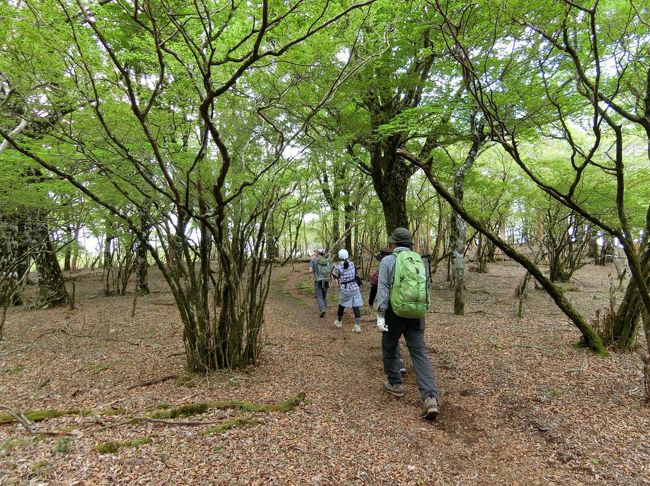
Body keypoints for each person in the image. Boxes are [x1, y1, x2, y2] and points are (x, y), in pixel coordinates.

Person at [376, 227, 440, 420]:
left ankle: (395, 383)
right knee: (419, 352)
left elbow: (384, 288)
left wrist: (381, 315)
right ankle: (430, 397)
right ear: (410, 245)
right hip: (416, 314)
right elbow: (425, 287)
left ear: (393, 244)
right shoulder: (418, 260)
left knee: (389, 346)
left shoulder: (388, 260)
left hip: (394, 313)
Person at [332, 249, 363, 333]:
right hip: (354, 287)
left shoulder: (338, 266)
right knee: (356, 306)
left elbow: (336, 276)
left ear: (339, 256)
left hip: (345, 288)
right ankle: (357, 326)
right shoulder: (352, 264)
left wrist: (334, 267)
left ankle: (339, 322)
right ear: (347, 255)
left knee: (341, 305)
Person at [309, 249, 331, 318]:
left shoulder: (313, 260)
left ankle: (322, 309)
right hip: (326, 280)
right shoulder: (327, 260)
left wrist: (313, 270)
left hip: (318, 281)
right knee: (324, 295)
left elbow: (310, 270)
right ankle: (325, 308)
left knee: (319, 296)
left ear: (318, 253)